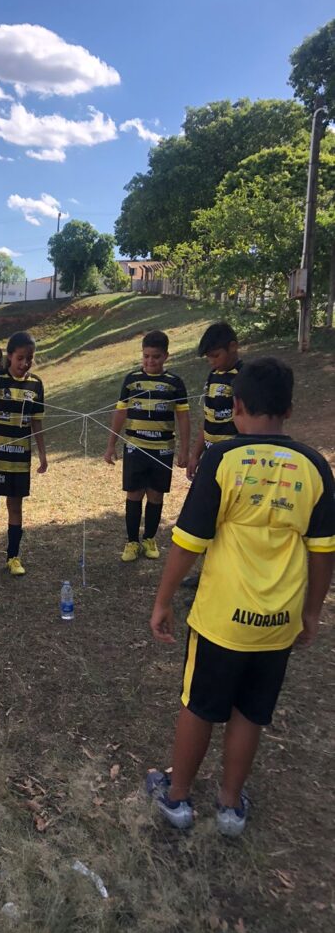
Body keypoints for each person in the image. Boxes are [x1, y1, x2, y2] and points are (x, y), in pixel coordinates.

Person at [147, 358, 335, 836]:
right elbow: (322, 551)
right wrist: (312, 612)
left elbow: (188, 542)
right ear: (289, 409)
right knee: (250, 712)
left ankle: (177, 797)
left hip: (221, 620)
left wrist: (163, 601)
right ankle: (230, 806)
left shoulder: (223, 459)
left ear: (236, 407)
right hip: (279, 622)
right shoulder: (314, 466)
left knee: (199, 705)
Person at [104, 330, 190, 562]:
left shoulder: (174, 383)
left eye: (156, 357)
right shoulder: (132, 380)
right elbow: (120, 412)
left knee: (155, 495)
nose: (150, 361)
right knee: (134, 493)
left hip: (163, 448)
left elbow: (183, 417)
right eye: (146, 356)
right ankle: (132, 541)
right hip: (135, 446)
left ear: (166, 356)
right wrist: (111, 445)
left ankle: (149, 538)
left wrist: (184, 450)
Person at [0, 331, 47, 577]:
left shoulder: (36, 384)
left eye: (30, 358)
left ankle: (13, 557)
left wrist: (42, 454)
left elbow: (36, 422)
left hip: (20, 458)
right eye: (20, 358)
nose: (25, 363)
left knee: (15, 507)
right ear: (9, 356)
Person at [183, 322, 244, 589]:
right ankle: (207, 573)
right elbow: (208, 420)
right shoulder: (213, 376)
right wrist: (196, 454)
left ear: (233, 347)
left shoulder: (245, 378)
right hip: (210, 456)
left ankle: (225, 578)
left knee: (229, 520)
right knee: (208, 515)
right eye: (209, 358)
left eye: (216, 355)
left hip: (234, 460)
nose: (213, 362)